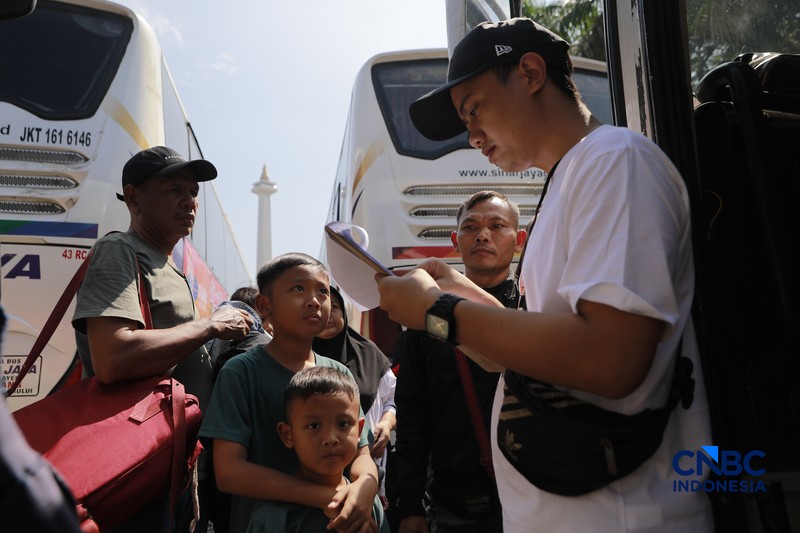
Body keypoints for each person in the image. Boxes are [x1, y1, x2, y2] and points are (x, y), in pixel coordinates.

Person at [377, 17, 712, 533]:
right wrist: (453, 288)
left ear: (531, 72)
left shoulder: (616, 161)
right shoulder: (568, 182)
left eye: (474, 109)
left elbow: (610, 355)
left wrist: (439, 313)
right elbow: (538, 356)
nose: (471, 136)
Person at [71, 145, 255, 532]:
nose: (188, 201)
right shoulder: (120, 250)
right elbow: (113, 358)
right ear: (134, 197)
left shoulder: (168, 264)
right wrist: (211, 325)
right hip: (136, 463)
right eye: (174, 189)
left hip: (170, 465)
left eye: (193, 192)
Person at [199, 253, 380, 533]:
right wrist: (330, 498)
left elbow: (361, 452)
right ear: (264, 305)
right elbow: (230, 473)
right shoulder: (241, 373)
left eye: (323, 291)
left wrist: (366, 487)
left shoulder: (339, 372)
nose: (314, 300)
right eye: (298, 289)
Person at [393, 190, 525, 533]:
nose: (483, 235)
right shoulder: (425, 318)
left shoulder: (534, 310)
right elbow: (412, 415)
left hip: (535, 492)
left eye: (497, 226)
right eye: (471, 227)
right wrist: (409, 505)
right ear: (455, 241)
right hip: (456, 502)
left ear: (519, 240)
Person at [246, 366, 390, 533]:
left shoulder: (365, 502)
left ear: (359, 430)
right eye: (314, 426)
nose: (330, 438)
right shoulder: (272, 516)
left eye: (343, 424)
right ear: (288, 435)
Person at [312, 286, 396, 500]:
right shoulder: (300, 357)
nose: (330, 315)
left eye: (336, 308)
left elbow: (393, 399)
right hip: (319, 471)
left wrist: (386, 425)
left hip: (371, 466)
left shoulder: (369, 353)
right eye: (323, 308)